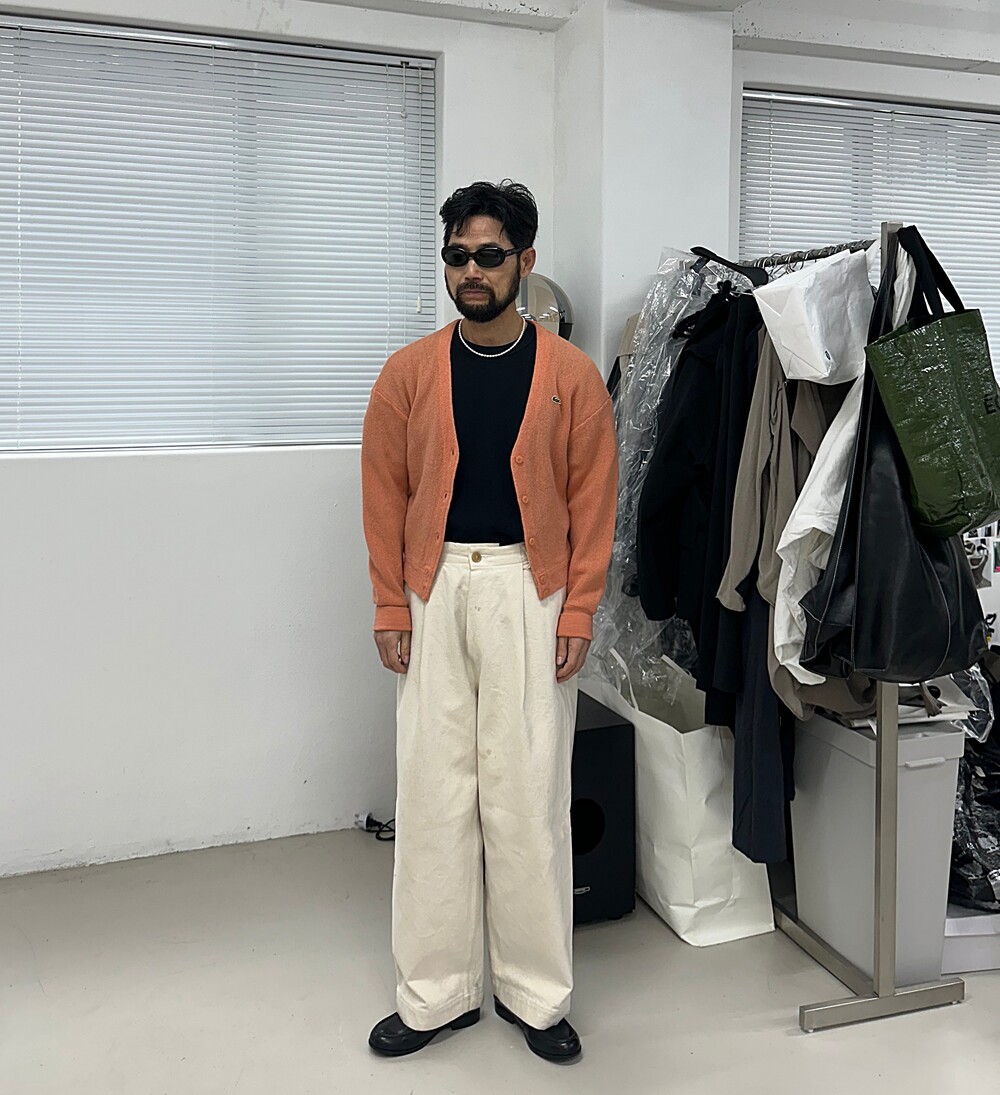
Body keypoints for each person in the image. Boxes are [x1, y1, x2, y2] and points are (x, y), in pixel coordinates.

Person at [361, 180, 617, 1063]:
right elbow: (384, 497)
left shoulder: (572, 378)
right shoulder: (406, 374)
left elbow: (594, 504)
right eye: (458, 256)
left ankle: (535, 994)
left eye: (489, 255)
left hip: (529, 589)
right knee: (432, 792)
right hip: (432, 587)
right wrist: (390, 602)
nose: (471, 271)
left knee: (528, 794)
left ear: (525, 262)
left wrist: (578, 607)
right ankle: (435, 992)